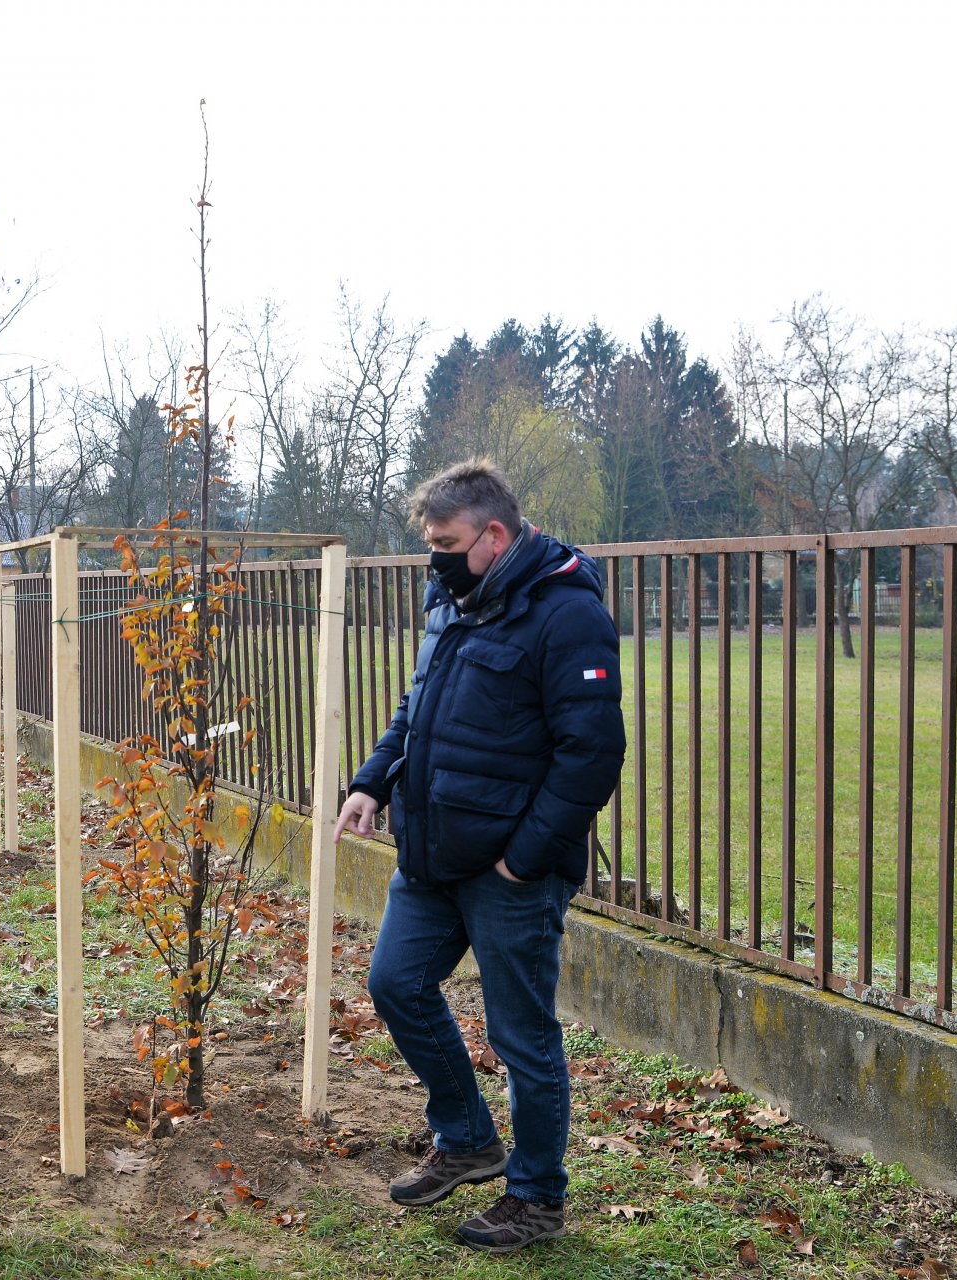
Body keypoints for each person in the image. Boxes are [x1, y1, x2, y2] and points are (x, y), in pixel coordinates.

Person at [335, 460, 625, 1255]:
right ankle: (467, 1140)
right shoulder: (453, 601)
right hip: (432, 851)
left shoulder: (565, 614)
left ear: (494, 536)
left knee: (520, 1036)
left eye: (446, 543)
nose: (435, 557)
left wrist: (523, 862)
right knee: (394, 983)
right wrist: (370, 781)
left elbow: (592, 754)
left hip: (509, 872)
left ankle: (536, 1196)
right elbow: (417, 708)